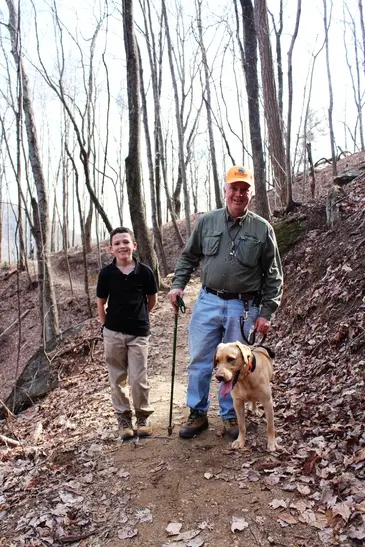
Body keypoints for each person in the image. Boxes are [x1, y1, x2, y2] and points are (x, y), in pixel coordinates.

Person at [168, 165, 283, 439]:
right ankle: (197, 413)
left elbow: (274, 275)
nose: (239, 194)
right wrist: (177, 285)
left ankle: (232, 416)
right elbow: (188, 257)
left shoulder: (262, 228)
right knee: (200, 359)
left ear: (251, 194)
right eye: (234, 188)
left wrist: (266, 312)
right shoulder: (207, 222)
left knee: (236, 365)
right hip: (207, 300)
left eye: (245, 189)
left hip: (243, 308)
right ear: (225, 190)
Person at [96, 227, 158, 440]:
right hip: (113, 333)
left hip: (139, 333)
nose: (122, 246)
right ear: (111, 249)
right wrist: (106, 328)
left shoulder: (145, 272)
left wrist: (140, 316)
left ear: (134, 245)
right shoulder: (106, 274)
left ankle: (142, 417)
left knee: (138, 377)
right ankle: (123, 418)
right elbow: (101, 303)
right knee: (117, 378)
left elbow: (152, 300)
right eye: (117, 243)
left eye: (125, 242)